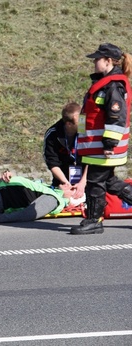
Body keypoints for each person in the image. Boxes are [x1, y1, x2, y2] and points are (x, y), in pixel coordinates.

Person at [70, 43, 132, 235]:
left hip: (104, 148)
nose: (94, 62)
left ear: (108, 61)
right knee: (110, 182)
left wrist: (109, 144)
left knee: (96, 183)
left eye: (97, 59)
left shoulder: (113, 85)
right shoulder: (103, 83)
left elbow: (116, 116)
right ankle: (93, 219)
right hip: (95, 147)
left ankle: (94, 220)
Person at [43, 102, 85, 196]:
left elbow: (91, 157)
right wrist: (66, 184)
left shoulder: (86, 130)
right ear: (69, 124)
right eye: (80, 120)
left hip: (85, 180)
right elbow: (52, 163)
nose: (84, 122)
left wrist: (83, 182)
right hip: (63, 180)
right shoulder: (53, 135)